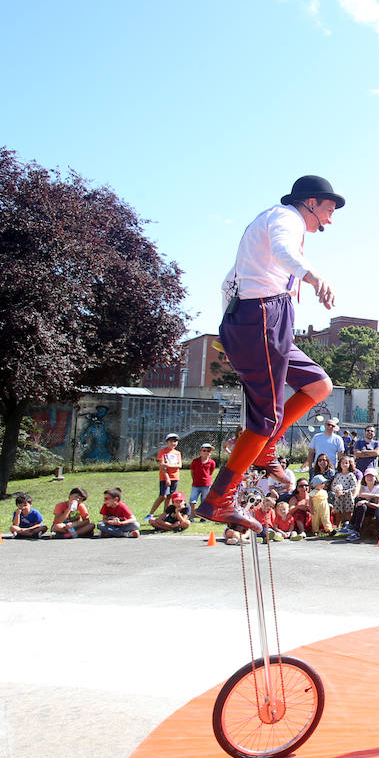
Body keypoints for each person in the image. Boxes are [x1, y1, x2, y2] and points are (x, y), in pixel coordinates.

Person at [196, 176, 344, 532]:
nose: (330, 218)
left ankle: (267, 448)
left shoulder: (279, 223)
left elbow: (232, 278)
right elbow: (282, 252)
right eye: (328, 209)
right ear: (310, 202)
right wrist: (312, 276)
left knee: (319, 385)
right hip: (261, 316)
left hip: (263, 319)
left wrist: (231, 325)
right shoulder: (285, 219)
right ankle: (219, 499)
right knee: (265, 417)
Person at [146, 433, 182, 520]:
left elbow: (179, 465)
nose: (173, 443)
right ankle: (150, 514)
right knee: (163, 496)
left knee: (170, 496)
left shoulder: (177, 453)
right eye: (171, 441)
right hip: (165, 478)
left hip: (175, 477)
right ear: (167, 442)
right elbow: (162, 466)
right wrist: (167, 477)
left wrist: (168, 465)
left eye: (175, 441)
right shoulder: (162, 452)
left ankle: (165, 514)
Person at [341, 470, 379, 540]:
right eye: (367, 476)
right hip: (363, 509)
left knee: (361, 503)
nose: (369, 477)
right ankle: (355, 531)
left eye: (371, 476)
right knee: (361, 505)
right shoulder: (363, 487)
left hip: (373, 510)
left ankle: (352, 526)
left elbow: (378, 505)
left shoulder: (378, 488)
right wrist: (374, 496)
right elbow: (361, 494)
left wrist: (366, 502)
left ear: (375, 478)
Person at [188, 443, 216, 520]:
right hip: (196, 484)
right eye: (204, 450)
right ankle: (192, 515)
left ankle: (203, 517)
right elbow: (192, 471)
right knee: (192, 500)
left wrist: (207, 479)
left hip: (206, 485)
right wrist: (194, 479)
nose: (206, 452)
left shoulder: (212, 462)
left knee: (204, 501)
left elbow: (210, 472)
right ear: (200, 451)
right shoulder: (195, 461)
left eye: (208, 451)